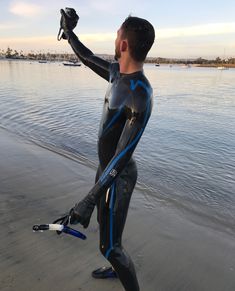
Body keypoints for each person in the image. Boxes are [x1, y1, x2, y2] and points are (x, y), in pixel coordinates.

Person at [58, 8, 155, 291]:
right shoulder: (117, 75)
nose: (114, 41)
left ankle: (121, 270)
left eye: (116, 36)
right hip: (106, 170)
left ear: (123, 44)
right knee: (106, 231)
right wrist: (69, 32)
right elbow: (87, 58)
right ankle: (115, 264)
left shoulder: (140, 95)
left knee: (110, 246)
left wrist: (88, 199)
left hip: (119, 175)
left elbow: (122, 158)